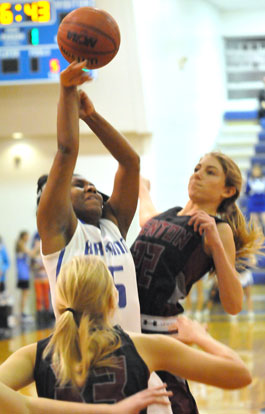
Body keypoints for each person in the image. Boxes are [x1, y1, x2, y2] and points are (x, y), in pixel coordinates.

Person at [36, 61, 172, 413]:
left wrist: (92, 116)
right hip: (82, 365)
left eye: (90, 183)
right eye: (78, 185)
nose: (91, 186)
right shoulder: (59, 234)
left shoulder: (112, 225)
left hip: (136, 360)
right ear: (56, 196)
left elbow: (131, 162)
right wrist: (66, 93)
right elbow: (66, 153)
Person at [0, 255, 251, 414]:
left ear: (59, 301)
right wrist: (199, 336)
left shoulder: (34, 355)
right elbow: (239, 374)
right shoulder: (146, 347)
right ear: (113, 300)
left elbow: (22, 404)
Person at [130, 154, 264, 413]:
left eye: (210, 172)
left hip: (162, 335)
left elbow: (234, 303)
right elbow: (146, 214)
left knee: (172, 405)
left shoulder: (217, 228)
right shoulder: (165, 216)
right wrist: (141, 187)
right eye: (196, 168)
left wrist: (215, 243)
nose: (197, 174)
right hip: (128, 326)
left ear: (227, 190)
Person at [15, 230, 38, 322]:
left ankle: (22, 313)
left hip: (23, 273)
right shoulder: (20, 244)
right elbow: (32, 254)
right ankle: (22, 315)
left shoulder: (21, 245)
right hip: (23, 274)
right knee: (25, 294)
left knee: (24, 294)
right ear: (23, 236)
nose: (28, 238)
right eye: (27, 236)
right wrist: (37, 246)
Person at [30, 232, 51, 327]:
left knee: (46, 298)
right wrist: (36, 266)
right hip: (37, 280)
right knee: (39, 298)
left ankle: (47, 317)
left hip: (46, 280)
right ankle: (39, 318)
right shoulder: (34, 257)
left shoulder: (45, 255)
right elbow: (32, 267)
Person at [245, 163, 265, 232]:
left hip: (262, 202)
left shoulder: (264, 180)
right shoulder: (250, 181)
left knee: (263, 219)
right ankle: (257, 238)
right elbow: (247, 192)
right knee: (255, 222)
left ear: (260, 171)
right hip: (253, 202)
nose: (256, 172)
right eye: (255, 170)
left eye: (257, 170)